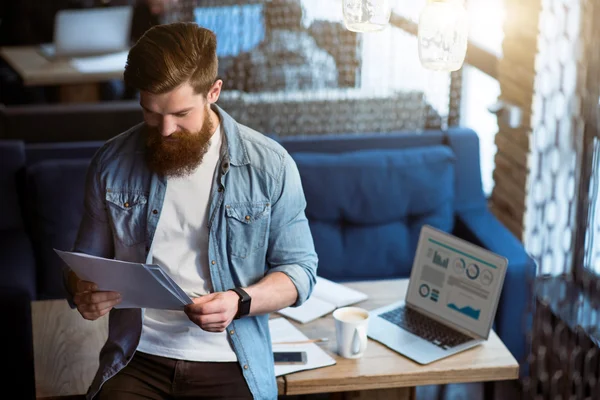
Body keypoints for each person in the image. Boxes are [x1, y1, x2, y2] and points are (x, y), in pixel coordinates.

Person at [64, 22, 318, 400]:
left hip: (231, 359)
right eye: (151, 112)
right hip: (138, 357)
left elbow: (299, 271)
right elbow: (82, 265)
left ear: (213, 91)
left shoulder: (271, 166)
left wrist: (239, 300)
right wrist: (80, 290)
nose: (165, 129)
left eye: (180, 113)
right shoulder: (111, 163)